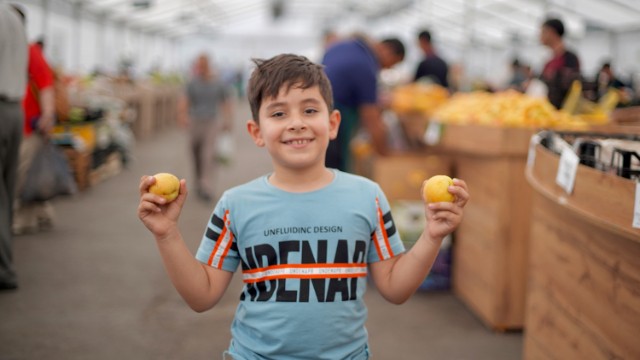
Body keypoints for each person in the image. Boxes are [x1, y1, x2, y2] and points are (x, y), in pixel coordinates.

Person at [137, 53, 469, 359]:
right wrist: (167, 235)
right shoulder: (236, 204)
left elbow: (395, 288)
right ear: (257, 131)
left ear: (334, 123)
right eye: (279, 113)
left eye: (310, 110)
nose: (296, 122)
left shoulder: (368, 197)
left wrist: (432, 235)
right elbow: (202, 295)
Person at [322, 34, 406, 172]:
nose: (387, 68)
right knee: (336, 167)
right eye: (393, 63)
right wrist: (385, 154)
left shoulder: (342, 46)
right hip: (335, 114)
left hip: (315, 108)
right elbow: (370, 117)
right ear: (387, 50)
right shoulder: (366, 67)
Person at [11, 5, 57, 236]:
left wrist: (48, 115)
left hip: (31, 124)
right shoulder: (11, 50)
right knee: (31, 170)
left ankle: (24, 219)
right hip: (19, 124)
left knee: (22, 172)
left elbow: (46, 84)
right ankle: (42, 212)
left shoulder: (29, 51)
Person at [177, 53, 233, 202]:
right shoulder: (192, 83)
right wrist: (183, 116)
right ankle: (198, 182)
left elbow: (225, 102)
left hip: (212, 122)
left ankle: (206, 186)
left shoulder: (218, 83)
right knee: (195, 153)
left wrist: (227, 120)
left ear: (208, 65)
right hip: (195, 121)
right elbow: (185, 100)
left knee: (208, 154)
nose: (200, 67)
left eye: (202, 64)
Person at [0, 4, 28, 290]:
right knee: (7, 192)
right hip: (14, 110)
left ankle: (4, 270)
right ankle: (5, 263)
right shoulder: (14, 19)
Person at [539, 17, 581, 109]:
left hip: (562, 115)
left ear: (551, 32)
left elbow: (571, 91)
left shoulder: (570, 59)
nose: (540, 36)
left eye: (542, 32)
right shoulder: (549, 61)